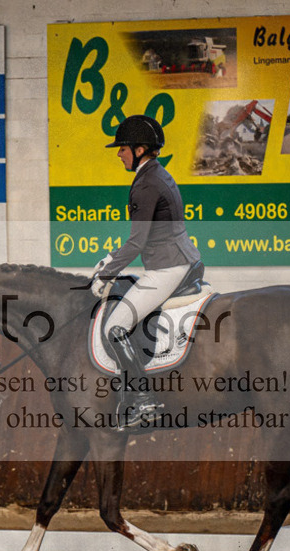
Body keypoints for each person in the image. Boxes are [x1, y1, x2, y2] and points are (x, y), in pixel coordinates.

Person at [90, 114, 202, 430]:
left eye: (123, 148)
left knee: (115, 327)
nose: (118, 153)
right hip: (178, 258)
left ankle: (143, 400)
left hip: (168, 267)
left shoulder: (146, 184)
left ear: (140, 149)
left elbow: (137, 242)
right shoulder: (158, 174)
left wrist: (105, 271)